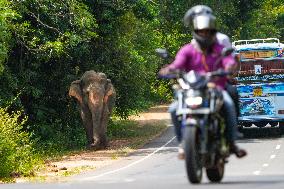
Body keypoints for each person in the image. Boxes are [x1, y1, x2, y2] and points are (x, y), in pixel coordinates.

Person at [159, 12, 247, 160]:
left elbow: (228, 61)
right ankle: (182, 144)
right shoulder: (187, 49)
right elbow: (178, 63)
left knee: (229, 104)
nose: (204, 34)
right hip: (192, 90)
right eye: (201, 31)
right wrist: (169, 69)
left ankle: (232, 142)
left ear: (212, 32)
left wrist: (229, 68)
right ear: (196, 32)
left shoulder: (219, 49)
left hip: (215, 88)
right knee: (174, 109)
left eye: (207, 31)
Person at [184, 5, 241, 117]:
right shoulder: (193, 42)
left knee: (231, 98)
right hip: (199, 83)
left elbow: (232, 60)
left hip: (219, 80)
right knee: (177, 106)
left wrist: (230, 73)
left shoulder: (222, 39)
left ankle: (233, 132)